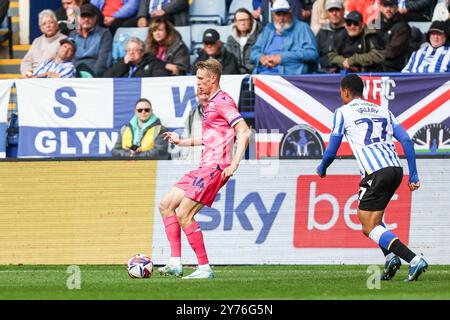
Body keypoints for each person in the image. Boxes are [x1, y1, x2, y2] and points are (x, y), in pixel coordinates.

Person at [317, 73, 428, 282]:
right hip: (395, 169)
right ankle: (391, 257)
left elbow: (331, 150)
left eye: (341, 92)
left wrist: (322, 167)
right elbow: (405, 139)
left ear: (346, 92)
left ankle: (413, 260)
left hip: (375, 171)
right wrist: (413, 173)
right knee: (375, 219)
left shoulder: (342, 112)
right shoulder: (383, 110)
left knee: (367, 225)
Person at [159, 59, 251, 279]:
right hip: (203, 166)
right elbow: (211, 138)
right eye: (197, 79)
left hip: (216, 167)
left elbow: (244, 131)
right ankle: (175, 263)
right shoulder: (211, 104)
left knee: (184, 213)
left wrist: (234, 163)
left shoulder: (223, 101)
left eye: (201, 79)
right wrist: (182, 141)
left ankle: (204, 268)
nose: (198, 83)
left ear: (213, 79)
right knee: (166, 205)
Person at [250, 0, 319, 75]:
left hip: (291, 75)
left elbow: (312, 54)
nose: (281, 18)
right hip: (264, 73)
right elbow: (254, 52)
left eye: (284, 14)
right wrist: (261, 58)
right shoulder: (268, 29)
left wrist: (282, 58)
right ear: (273, 15)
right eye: (278, 14)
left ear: (290, 13)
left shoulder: (302, 27)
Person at [70, 3, 113, 77]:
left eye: (89, 16)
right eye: (83, 16)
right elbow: (70, 58)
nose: (86, 19)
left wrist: (92, 76)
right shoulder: (73, 34)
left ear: (95, 18)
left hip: (94, 75)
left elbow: (104, 60)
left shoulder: (104, 33)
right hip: (74, 75)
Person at [20, 10, 67, 77]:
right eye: (44, 24)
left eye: (51, 22)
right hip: (32, 77)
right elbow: (26, 61)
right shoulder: (37, 41)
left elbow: (63, 64)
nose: (48, 26)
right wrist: (28, 72)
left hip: (49, 77)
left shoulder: (64, 40)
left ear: (56, 24)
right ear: (41, 28)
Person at [103, 37, 171, 77]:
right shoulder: (122, 63)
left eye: (135, 50)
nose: (131, 52)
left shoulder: (154, 63)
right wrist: (123, 64)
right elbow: (106, 78)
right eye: (128, 50)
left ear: (142, 52)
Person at [377, 0, 411, 72]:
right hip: (373, 66)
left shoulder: (403, 26)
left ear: (397, 7)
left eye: (391, 6)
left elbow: (392, 52)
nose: (388, 9)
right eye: (385, 6)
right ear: (380, 7)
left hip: (392, 68)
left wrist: (373, 55)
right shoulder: (374, 24)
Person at [227, 7, 262, 74]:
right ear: (235, 22)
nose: (242, 23)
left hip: (255, 74)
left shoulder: (260, 37)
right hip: (235, 75)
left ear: (251, 20)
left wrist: (243, 70)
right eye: (240, 20)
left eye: (245, 20)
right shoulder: (230, 39)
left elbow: (259, 60)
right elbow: (229, 61)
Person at [316, 0, 346, 73]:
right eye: (331, 10)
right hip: (323, 71)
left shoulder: (350, 29)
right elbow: (316, 53)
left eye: (337, 10)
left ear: (343, 11)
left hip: (344, 71)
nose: (334, 13)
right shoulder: (322, 31)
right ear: (327, 13)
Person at [178, 92, 207, 161]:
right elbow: (185, 138)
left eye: (207, 94)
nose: (204, 97)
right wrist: (184, 159)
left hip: (216, 163)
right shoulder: (192, 115)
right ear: (197, 96)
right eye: (201, 94)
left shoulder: (223, 112)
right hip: (193, 162)